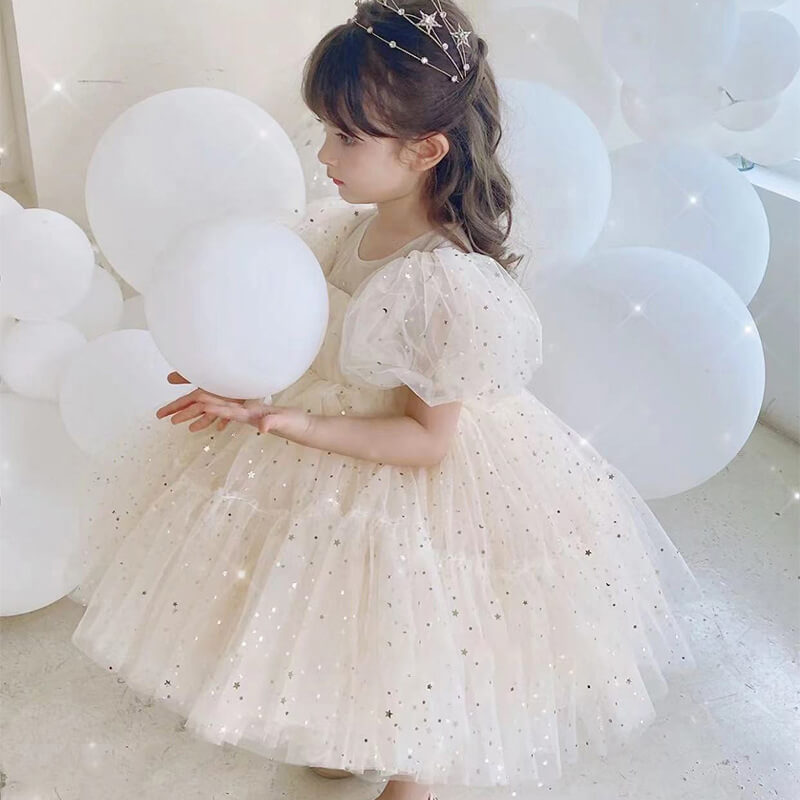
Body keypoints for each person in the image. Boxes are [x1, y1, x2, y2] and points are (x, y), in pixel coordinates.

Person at [68, 2, 704, 799]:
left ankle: (416, 770)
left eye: (346, 137)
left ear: (425, 150)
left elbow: (427, 443)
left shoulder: (443, 281)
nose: (323, 154)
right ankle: (347, 720)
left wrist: (287, 421)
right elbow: (307, 340)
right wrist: (239, 376)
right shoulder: (340, 228)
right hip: (325, 435)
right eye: (326, 130)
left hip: (407, 467)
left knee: (418, 613)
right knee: (324, 596)